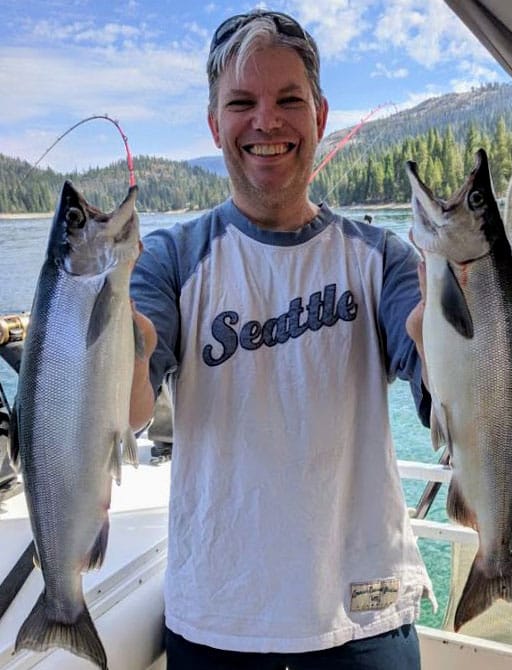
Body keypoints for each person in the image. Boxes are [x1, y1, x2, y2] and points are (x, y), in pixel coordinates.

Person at [129, 9, 435, 669]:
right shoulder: (169, 258)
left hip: (365, 617)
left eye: (288, 100)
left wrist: (455, 319)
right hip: (217, 620)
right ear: (215, 124)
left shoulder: (381, 256)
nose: (266, 121)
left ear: (319, 116)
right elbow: (124, 409)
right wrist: (103, 333)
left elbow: (439, 386)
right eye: (242, 102)